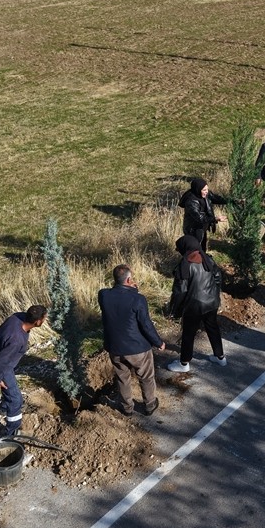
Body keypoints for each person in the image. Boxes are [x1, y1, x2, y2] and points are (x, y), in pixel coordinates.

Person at [98, 265, 165, 416]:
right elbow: (146, 325)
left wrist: (130, 290)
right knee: (146, 376)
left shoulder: (103, 295)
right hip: (137, 348)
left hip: (115, 347)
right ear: (129, 279)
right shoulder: (138, 299)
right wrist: (158, 342)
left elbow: (116, 297)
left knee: (123, 378)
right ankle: (149, 404)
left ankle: (127, 408)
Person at [0, 305, 48, 436]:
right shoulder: (16, 340)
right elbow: (0, 362)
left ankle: (5, 408)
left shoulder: (16, 317)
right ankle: (10, 431)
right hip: (0, 366)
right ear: (37, 322)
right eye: (44, 318)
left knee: (10, 394)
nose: (46, 320)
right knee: (16, 399)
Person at [166, 235, 225, 373]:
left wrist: (174, 310)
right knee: (213, 328)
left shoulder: (185, 266)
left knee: (188, 333)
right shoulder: (207, 259)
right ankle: (220, 357)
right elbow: (218, 277)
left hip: (194, 306)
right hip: (211, 302)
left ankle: (184, 363)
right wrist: (215, 294)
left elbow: (180, 292)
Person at [179, 177, 227, 252]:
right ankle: (191, 263)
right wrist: (215, 219)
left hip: (202, 227)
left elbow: (217, 199)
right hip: (193, 230)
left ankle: (202, 262)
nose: (207, 192)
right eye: (204, 190)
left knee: (202, 249)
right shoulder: (191, 201)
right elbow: (199, 218)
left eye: (207, 189)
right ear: (198, 190)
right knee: (194, 250)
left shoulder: (205, 194)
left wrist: (233, 201)